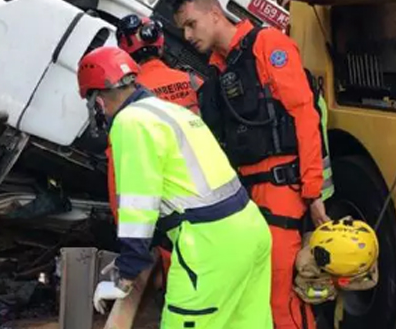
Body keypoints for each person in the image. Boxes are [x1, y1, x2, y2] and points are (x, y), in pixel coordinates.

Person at [78, 46, 272, 329]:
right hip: (250, 230)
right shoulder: (170, 111)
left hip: (209, 249)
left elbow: (138, 203)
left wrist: (126, 272)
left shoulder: (130, 122)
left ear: (98, 101)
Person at [173, 0, 331, 329]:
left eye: (191, 24)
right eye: (183, 29)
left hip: (280, 191)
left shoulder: (268, 45)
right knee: (255, 291)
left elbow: (304, 115)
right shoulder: (219, 69)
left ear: (215, 14)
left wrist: (313, 192)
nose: (187, 36)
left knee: (281, 292)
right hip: (244, 197)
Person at [109, 14, 205, 285]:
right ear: (160, 42)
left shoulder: (128, 99)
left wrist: (127, 232)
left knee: (182, 285)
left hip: (167, 209)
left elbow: (121, 174)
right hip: (211, 198)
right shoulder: (193, 82)